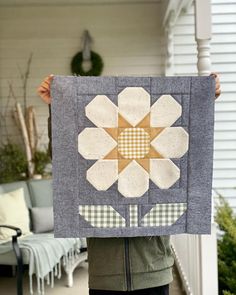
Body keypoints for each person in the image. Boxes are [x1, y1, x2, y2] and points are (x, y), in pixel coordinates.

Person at [37, 72, 221, 295]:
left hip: (153, 269)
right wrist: (56, 108)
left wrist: (202, 98)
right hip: (105, 274)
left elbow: (190, 148)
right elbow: (66, 158)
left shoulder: (162, 139)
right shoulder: (95, 142)